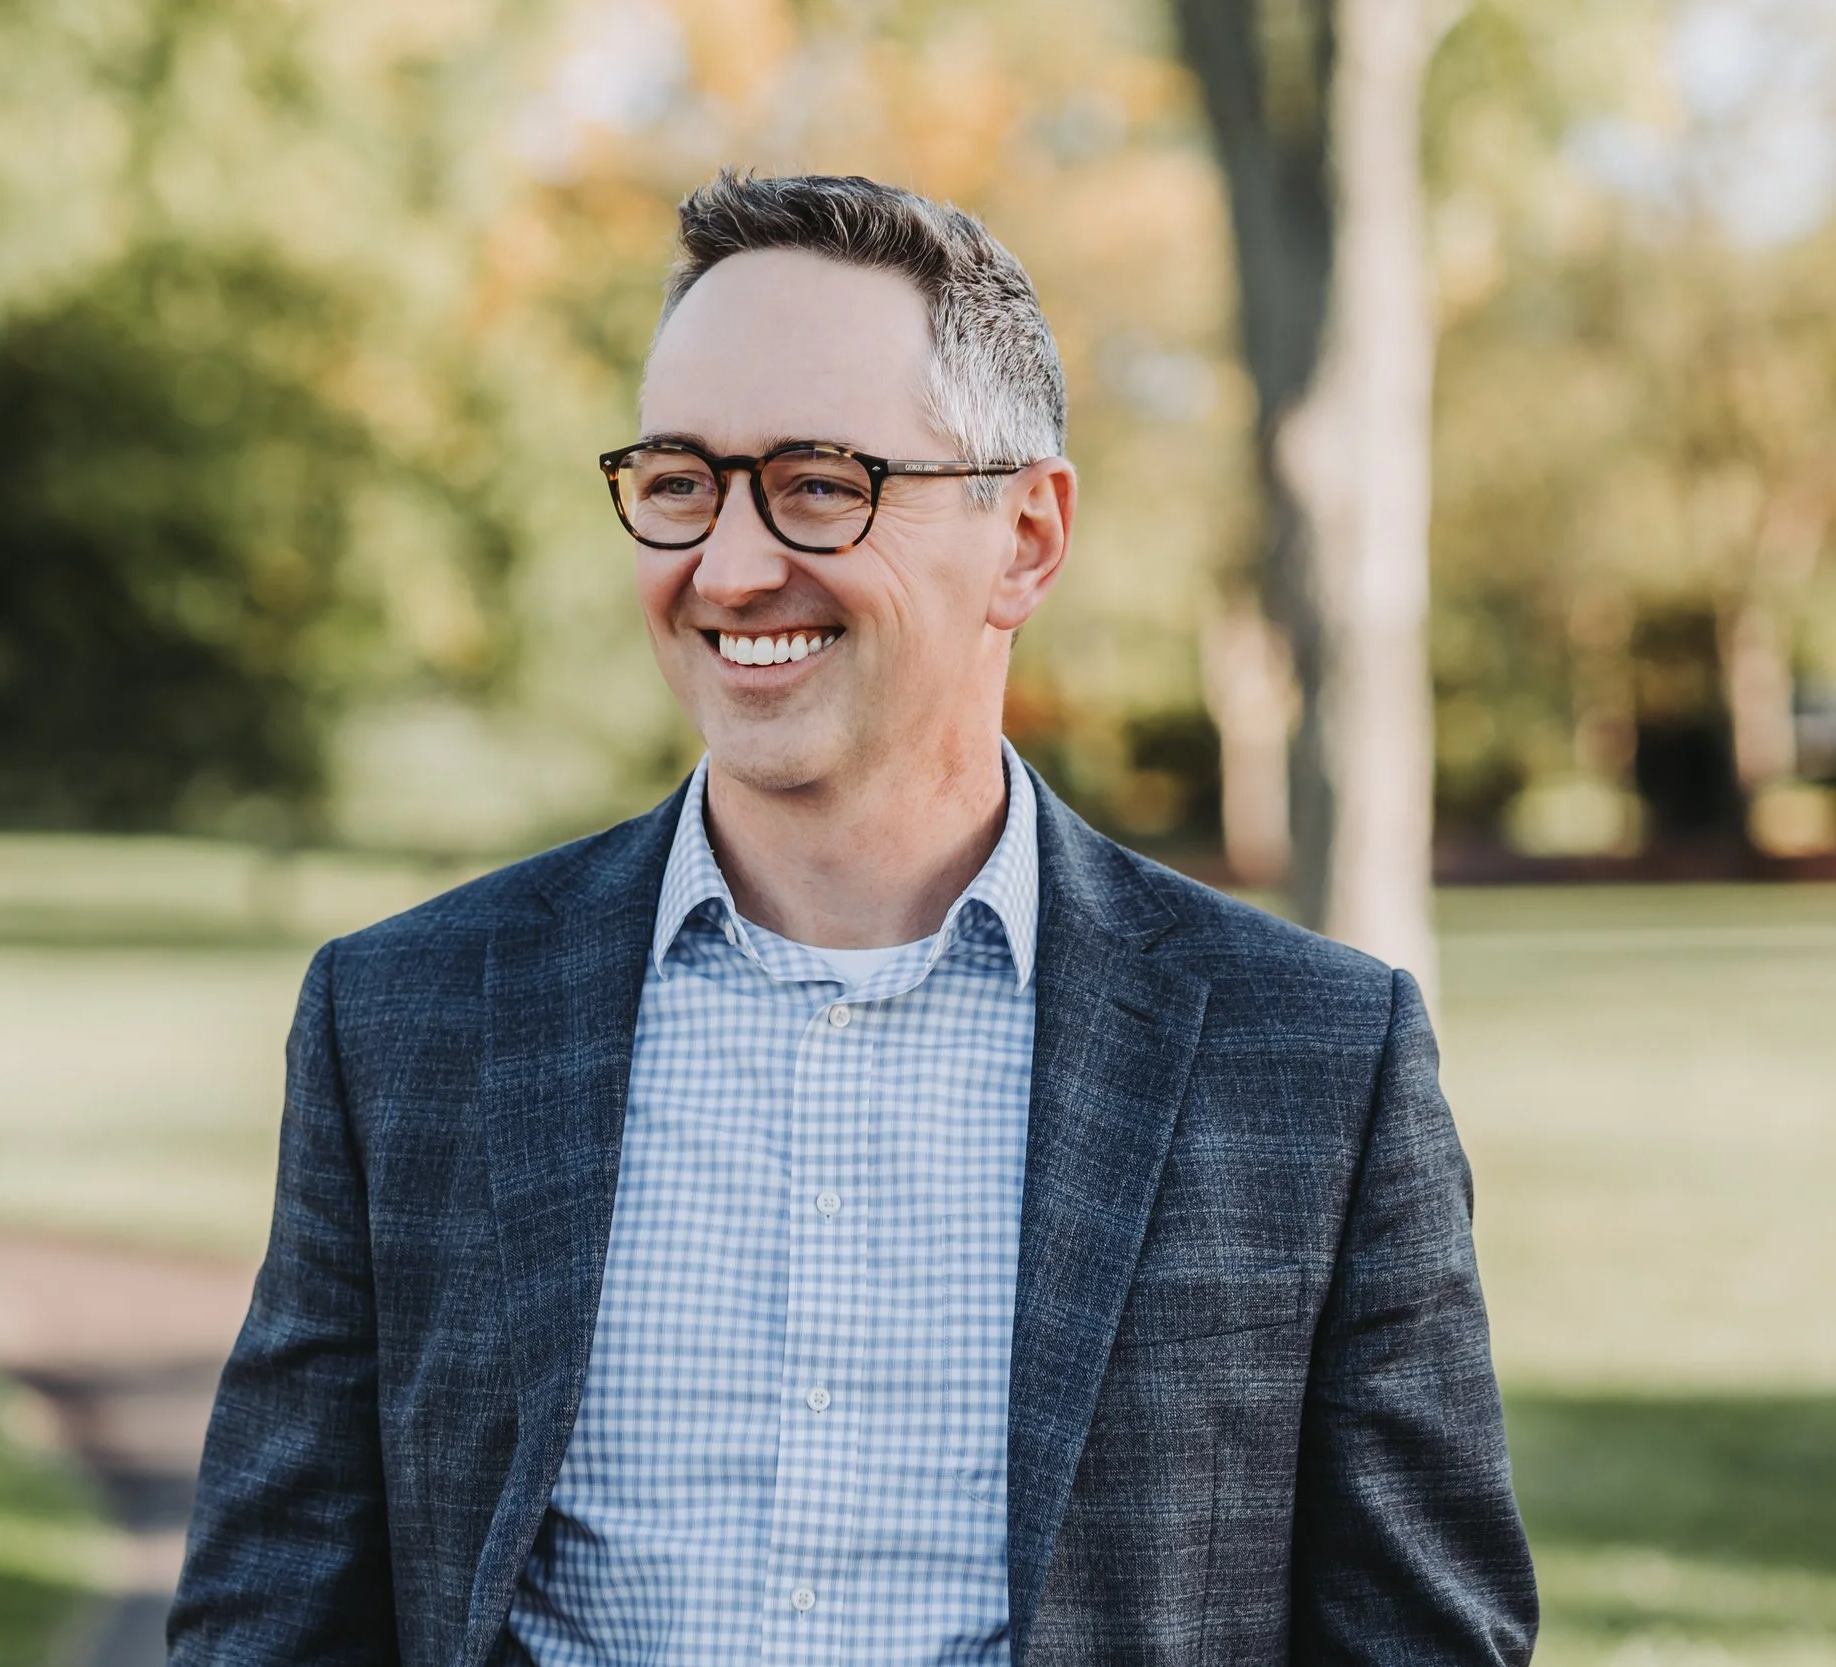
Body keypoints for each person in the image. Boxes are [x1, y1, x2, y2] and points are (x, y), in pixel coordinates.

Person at [168, 170, 1537, 1667]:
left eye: (821, 483)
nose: (732, 567)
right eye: (680, 483)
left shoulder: (1316, 1060)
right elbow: (271, 1621)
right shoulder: (403, 1020)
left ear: (1027, 535)